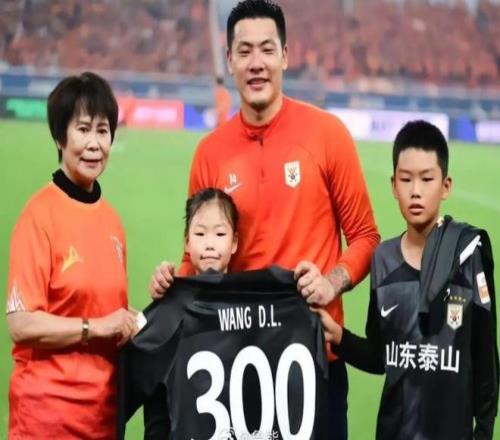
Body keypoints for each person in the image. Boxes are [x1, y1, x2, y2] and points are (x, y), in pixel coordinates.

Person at [150, 1, 379, 436]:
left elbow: (366, 236)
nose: (257, 63)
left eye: (267, 49)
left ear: (285, 56)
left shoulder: (327, 135)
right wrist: (173, 283)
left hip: (312, 361)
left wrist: (331, 282)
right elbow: (197, 256)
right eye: (245, 51)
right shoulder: (210, 153)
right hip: (233, 365)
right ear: (229, 60)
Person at [316, 120, 499, 439]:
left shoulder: (468, 254)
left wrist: (483, 432)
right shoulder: (383, 260)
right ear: (393, 185)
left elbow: (486, 364)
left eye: (427, 179)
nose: (416, 191)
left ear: (445, 186)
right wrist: (338, 337)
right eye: (406, 179)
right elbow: (380, 356)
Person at [6, 72, 138, 439]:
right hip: (46, 420)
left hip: (103, 418)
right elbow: (21, 323)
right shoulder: (39, 216)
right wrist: (94, 327)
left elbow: (106, 312)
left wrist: (135, 322)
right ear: (60, 137)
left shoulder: (112, 222)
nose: (94, 143)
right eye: (83, 129)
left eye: (103, 130)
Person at [183, 187, 238, 274]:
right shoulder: (169, 282)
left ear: (234, 242)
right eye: (200, 233)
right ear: (187, 242)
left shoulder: (249, 284)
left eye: (220, 234)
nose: (210, 245)